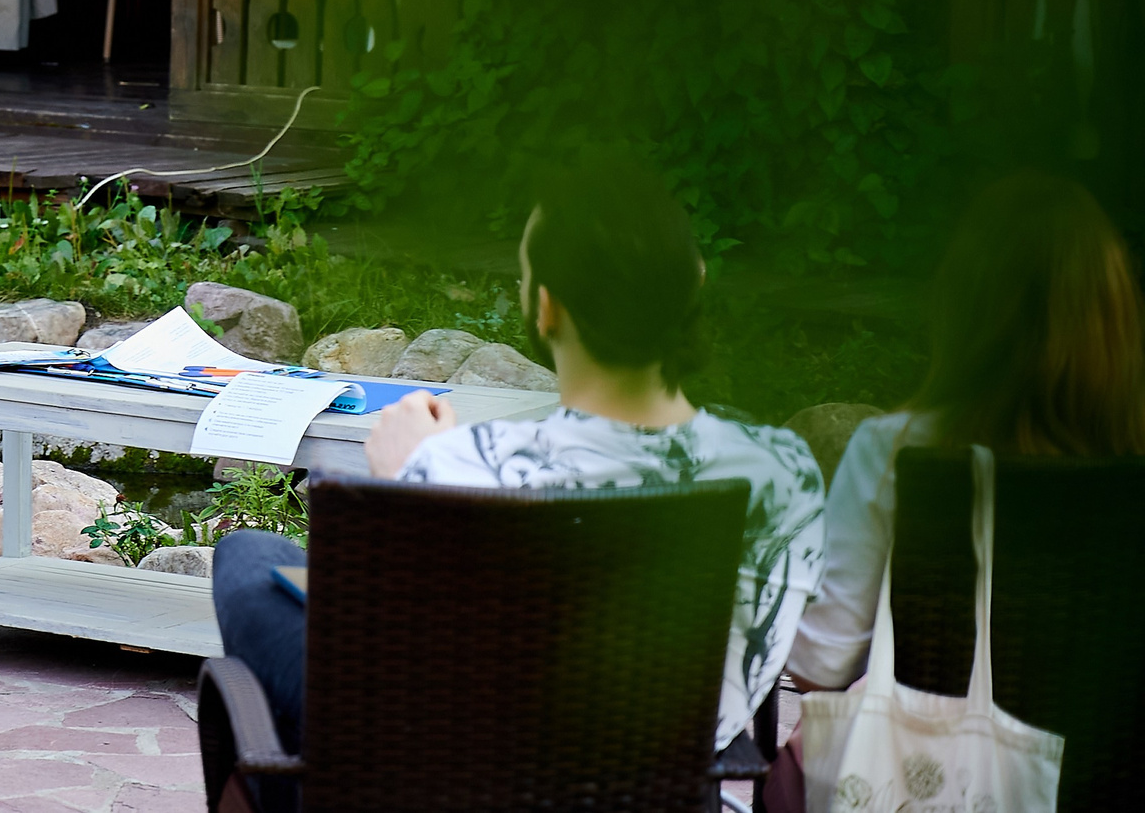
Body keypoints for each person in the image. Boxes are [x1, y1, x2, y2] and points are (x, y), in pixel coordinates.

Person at [212, 153, 826, 763]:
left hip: (474, 756)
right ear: (695, 280)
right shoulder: (781, 470)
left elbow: (403, 642)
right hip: (670, 761)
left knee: (248, 559)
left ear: (547, 307)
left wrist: (407, 480)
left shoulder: (464, 466)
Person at [783, 170, 1145, 691]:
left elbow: (820, 663)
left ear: (965, 307)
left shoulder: (895, 452)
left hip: (933, 770)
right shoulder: (1128, 466)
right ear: (1117, 317)